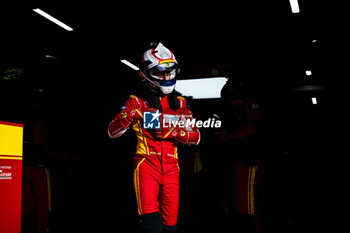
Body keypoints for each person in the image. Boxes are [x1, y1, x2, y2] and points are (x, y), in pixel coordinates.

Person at [108, 42, 200, 233]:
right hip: (146, 165)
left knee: (170, 227)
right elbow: (111, 132)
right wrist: (131, 115)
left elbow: (196, 137)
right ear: (146, 73)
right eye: (160, 73)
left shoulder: (181, 103)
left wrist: (173, 132)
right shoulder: (136, 101)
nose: (166, 77)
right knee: (152, 226)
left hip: (172, 169)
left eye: (170, 73)